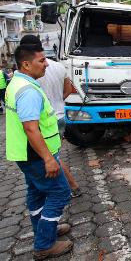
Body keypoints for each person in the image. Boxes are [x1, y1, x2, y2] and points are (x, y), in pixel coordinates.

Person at [5, 44, 72, 259]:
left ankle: (44, 229)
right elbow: (30, 128)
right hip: (36, 156)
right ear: (26, 64)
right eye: (41, 61)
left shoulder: (18, 83)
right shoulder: (27, 91)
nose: (46, 64)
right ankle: (44, 244)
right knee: (60, 192)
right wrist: (48, 159)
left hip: (25, 155)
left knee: (36, 193)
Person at [19, 35, 81, 197]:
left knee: (50, 157)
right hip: (59, 116)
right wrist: (57, 103)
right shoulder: (58, 66)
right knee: (52, 155)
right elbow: (68, 90)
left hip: (42, 122)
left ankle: (71, 186)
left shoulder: (28, 72)